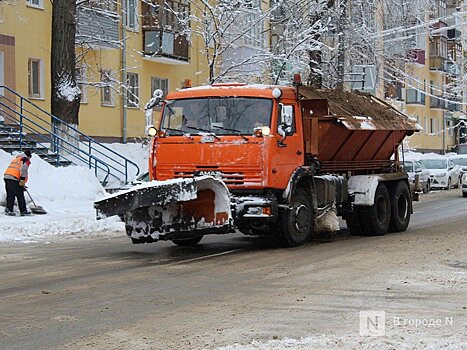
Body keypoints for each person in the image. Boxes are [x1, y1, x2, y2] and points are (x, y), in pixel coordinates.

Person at [3, 150, 32, 216]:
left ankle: (9, 210)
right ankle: (23, 211)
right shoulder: (25, 160)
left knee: (10, 194)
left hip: (7, 177)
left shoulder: (17, 159)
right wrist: (22, 180)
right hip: (14, 178)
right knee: (20, 195)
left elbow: (16, 169)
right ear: (29, 156)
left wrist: (22, 183)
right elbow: (24, 169)